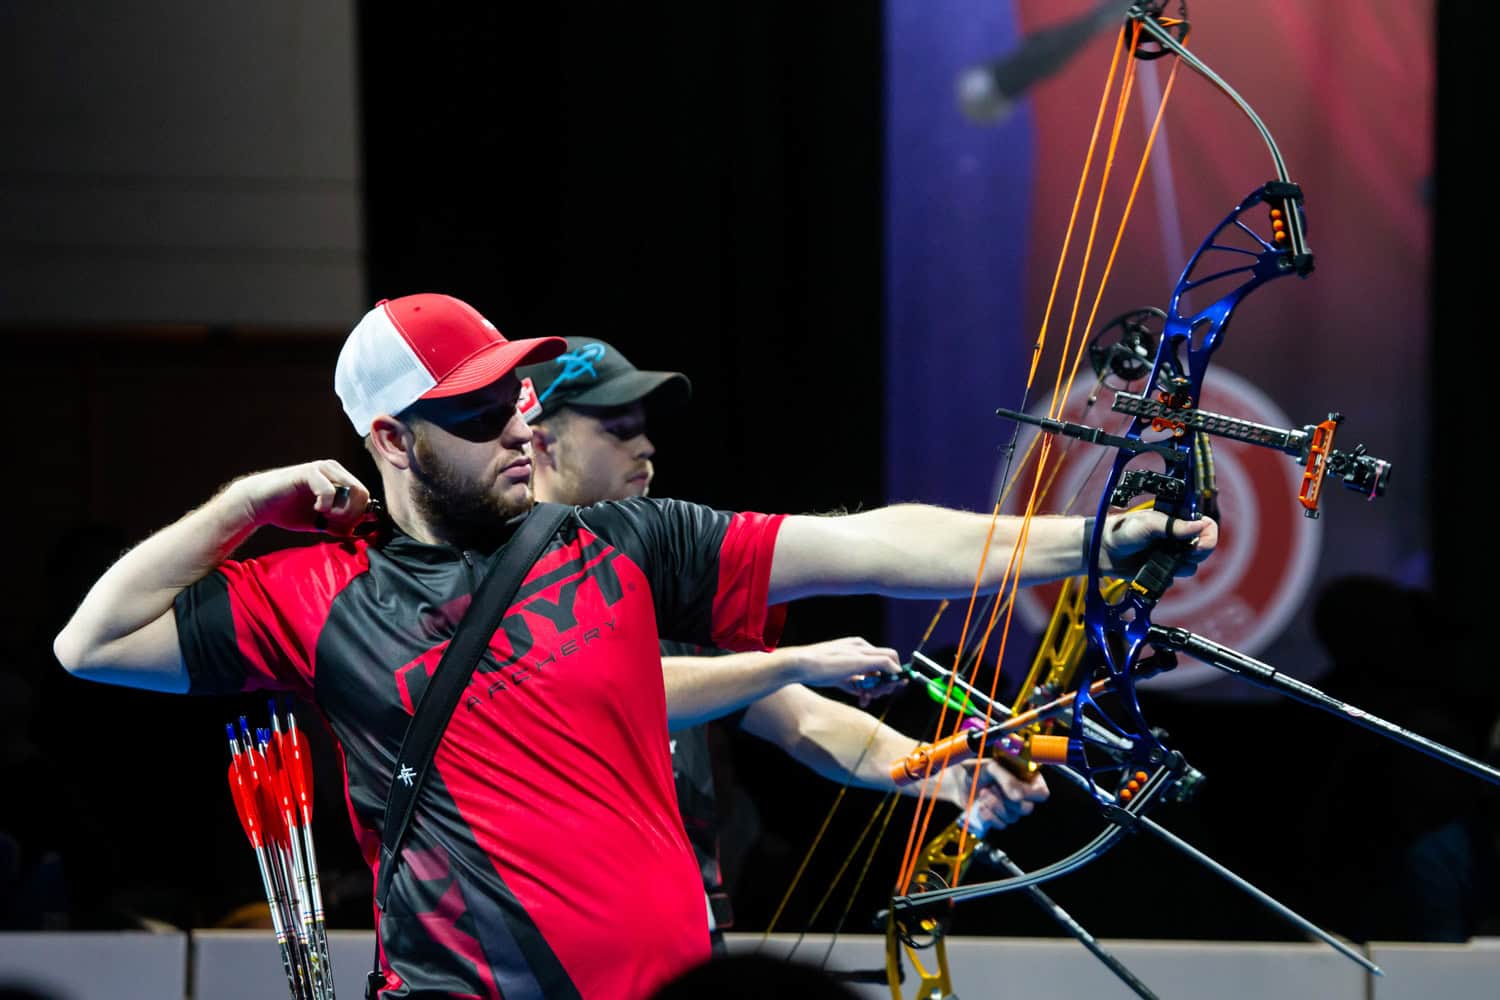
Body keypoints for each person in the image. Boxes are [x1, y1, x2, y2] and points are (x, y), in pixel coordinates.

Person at [52, 293, 1217, 999]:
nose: (515, 421)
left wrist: (1101, 539)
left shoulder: (619, 545)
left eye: (512, 393)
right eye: (473, 410)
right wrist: (248, 502)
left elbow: (873, 542)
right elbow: (90, 642)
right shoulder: (318, 592)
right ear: (390, 440)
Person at [517, 337, 1050, 948]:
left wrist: (944, 772)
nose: (646, 446)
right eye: (616, 429)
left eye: (642, 429)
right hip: (550, 934)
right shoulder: (488, 582)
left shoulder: (654, 580)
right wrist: (793, 661)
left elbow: (803, 722)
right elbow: (615, 685)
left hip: (674, 929)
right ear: (539, 441)